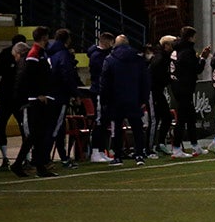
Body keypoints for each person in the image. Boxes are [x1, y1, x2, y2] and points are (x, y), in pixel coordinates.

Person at [11, 26, 58, 178]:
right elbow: (29, 77)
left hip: (41, 99)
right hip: (36, 101)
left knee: (38, 135)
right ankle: (21, 164)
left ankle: (36, 166)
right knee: (35, 134)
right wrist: (38, 94)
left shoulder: (40, 53)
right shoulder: (34, 54)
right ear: (44, 37)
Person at [101, 34, 151, 166]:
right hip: (134, 98)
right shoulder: (138, 59)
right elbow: (145, 80)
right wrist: (143, 99)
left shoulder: (110, 59)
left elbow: (105, 82)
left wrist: (105, 100)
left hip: (115, 99)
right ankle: (139, 154)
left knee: (117, 128)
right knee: (137, 127)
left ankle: (118, 156)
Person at [169, 26, 211, 158]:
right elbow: (196, 69)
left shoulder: (176, 50)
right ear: (190, 37)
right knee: (182, 119)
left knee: (191, 117)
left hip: (177, 87)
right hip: (184, 88)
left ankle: (195, 145)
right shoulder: (187, 51)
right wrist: (203, 58)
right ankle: (176, 148)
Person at [0, 33, 27, 167]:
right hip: (20, 96)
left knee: (1, 125)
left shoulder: (3, 55)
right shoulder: (28, 57)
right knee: (24, 126)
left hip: (5, 95)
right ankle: (26, 157)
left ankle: (5, 157)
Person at [47, 28, 83, 168]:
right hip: (59, 96)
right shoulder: (63, 55)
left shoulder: (49, 53)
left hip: (49, 95)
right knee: (57, 128)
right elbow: (67, 76)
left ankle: (56, 157)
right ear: (67, 39)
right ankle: (48, 158)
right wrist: (75, 94)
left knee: (54, 127)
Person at [86, 31, 115, 163]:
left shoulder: (103, 55)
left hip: (104, 92)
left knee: (104, 122)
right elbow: (101, 73)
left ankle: (101, 150)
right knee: (99, 121)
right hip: (98, 92)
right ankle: (95, 151)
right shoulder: (97, 56)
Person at [147, 34, 176, 157]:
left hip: (158, 91)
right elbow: (156, 76)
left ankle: (160, 143)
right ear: (166, 45)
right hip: (153, 92)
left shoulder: (165, 58)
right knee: (154, 120)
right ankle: (148, 149)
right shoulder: (159, 59)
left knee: (166, 117)